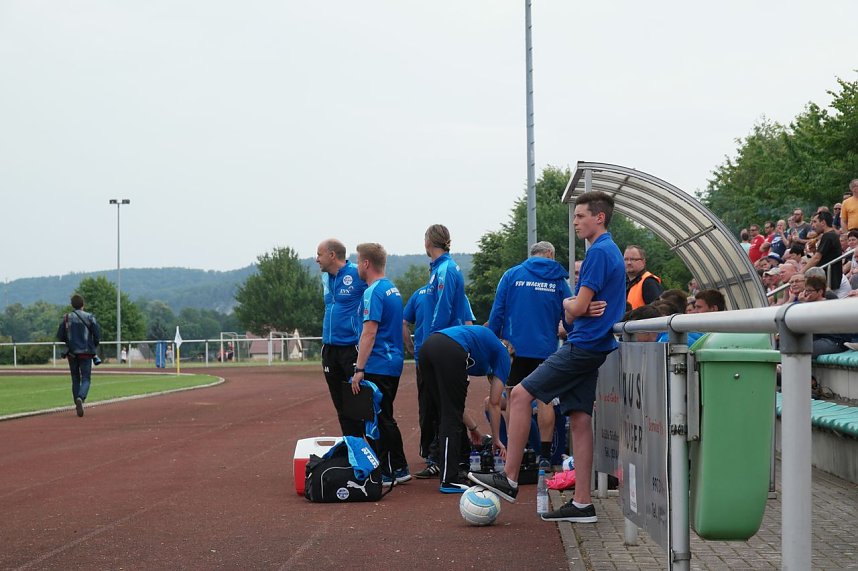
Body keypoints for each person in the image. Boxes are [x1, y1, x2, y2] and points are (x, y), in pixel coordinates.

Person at [469, 190, 625, 525]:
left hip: (582, 347)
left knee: (521, 395)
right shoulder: (605, 251)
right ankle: (582, 503)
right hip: (590, 346)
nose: (575, 221)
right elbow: (575, 313)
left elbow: (577, 308)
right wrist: (574, 309)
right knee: (581, 421)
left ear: (599, 217)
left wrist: (572, 307)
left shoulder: (599, 252)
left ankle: (508, 479)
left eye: (580, 215)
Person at [487, 240, 572, 463]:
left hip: (515, 349)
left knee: (514, 397)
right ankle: (544, 455)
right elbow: (570, 313)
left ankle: (516, 453)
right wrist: (570, 332)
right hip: (545, 349)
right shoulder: (558, 279)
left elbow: (497, 311)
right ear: (550, 254)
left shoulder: (512, 275)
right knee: (545, 400)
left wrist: (494, 340)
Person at [419, 325, 512, 493]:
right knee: (450, 417)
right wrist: (497, 439)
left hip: (428, 346)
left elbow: (455, 403)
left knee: (444, 409)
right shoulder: (504, 356)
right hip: (449, 349)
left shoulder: (481, 347)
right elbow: (494, 403)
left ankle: (454, 466)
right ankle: (449, 479)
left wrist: (474, 429)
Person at [413, 224, 474, 476]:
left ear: (429, 241)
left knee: (443, 407)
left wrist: (432, 342)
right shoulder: (438, 270)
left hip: (442, 348)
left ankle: (451, 458)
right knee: (436, 405)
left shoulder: (447, 269)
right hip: (440, 347)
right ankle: (445, 455)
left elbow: (444, 310)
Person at [350, 242, 408, 485]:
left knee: (380, 418)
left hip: (378, 364)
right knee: (386, 416)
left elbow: (369, 333)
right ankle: (400, 466)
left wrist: (359, 368)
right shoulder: (392, 289)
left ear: (366, 264)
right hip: (392, 362)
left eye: (358, 261)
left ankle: (388, 470)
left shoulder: (372, 292)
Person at [316, 238, 367, 437]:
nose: (316, 259)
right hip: (329, 350)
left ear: (332, 255)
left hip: (351, 348)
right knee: (341, 407)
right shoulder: (324, 278)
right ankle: (352, 450)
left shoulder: (357, 273)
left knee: (359, 405)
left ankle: (370, 451)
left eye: (319, 254)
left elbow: (375, 292)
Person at [56, 294, 101, 418]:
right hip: (86, 352)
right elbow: (97, 335)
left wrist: (68, 344)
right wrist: (93, 347)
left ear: (72, 305)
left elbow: (60, 336)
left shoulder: (66, 318)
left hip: (72, 353)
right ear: (83, 304)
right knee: (86, 378)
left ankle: (77, 402)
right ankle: (81, 397)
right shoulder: (90, 317)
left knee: (75, 378)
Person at [803, 211, 841, 292]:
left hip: (830, 282)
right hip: (828, 280)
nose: (812, 225)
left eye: (814, 222)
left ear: (823, 222)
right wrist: (814, 251)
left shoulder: (828, 236)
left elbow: (816, 258)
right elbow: (823, 257)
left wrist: (801, 272)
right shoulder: (829, 235)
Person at [624, 245, 663, 309]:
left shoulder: (649, 282)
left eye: (633, 259)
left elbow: (657, 311)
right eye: (626, 259)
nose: (628, 263)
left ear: (643, 262)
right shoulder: (624, 283)